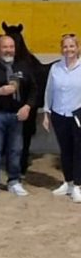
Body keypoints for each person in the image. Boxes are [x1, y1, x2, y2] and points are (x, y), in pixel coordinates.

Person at [0, 35, 36, 198]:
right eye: (5, 47)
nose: (8, 50)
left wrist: (27, 106)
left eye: (11, 47)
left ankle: (14, 181)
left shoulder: (23, 66)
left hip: (17, 114)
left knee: (16, 150)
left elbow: (33, 89)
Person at [42, 33, 81, 203]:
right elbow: (49, 90)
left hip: (77, 115)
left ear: (77, 48)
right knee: (65, 150)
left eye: (72, 46)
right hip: (59, 114)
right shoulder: (55, 68)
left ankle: (77, 186)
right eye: (65, 46)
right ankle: (68, 182)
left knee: (78, 151)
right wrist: (46, 112)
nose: (68, 49)